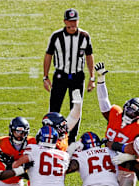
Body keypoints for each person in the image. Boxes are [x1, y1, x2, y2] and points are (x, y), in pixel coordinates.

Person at [43, 8, 95, 143]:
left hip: (77, 78)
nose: (72, 24)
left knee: (76, 108)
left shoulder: (84, 36)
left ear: (78, 21)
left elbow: (89, 56)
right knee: (54, 107)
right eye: (69, 21)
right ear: (64, 21)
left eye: (74, 21)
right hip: (60, 76)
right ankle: (49, 136)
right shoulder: (56, 36)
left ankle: (71, 140)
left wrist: (92, 77)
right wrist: (45, 76)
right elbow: (48, 55)